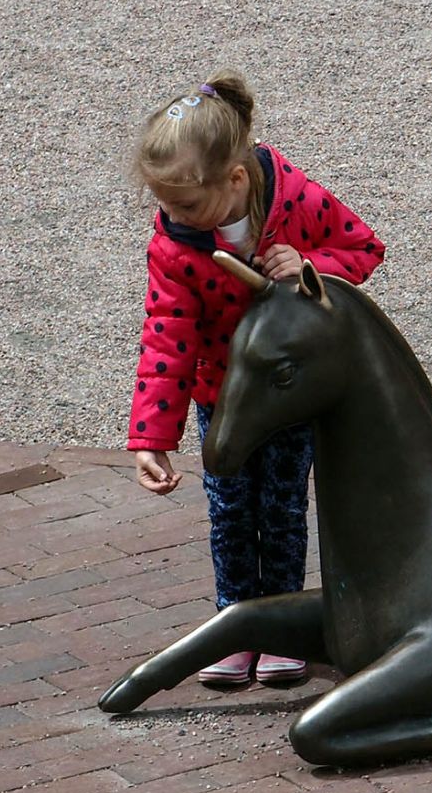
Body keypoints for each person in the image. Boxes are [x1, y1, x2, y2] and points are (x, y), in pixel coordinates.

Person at [126, 69, 384, 688]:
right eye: (164, 204)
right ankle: (236, 625)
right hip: (226, 395)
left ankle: (281, 627)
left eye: (185, 204)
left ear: (236, 179)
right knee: (230, 511)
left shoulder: (296, 200)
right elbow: (167, 333)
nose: (172, 216)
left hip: (289, 397)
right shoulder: (175, 246)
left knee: (283, 507)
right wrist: (151, 435)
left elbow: (365, 249)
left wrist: (309, 265)